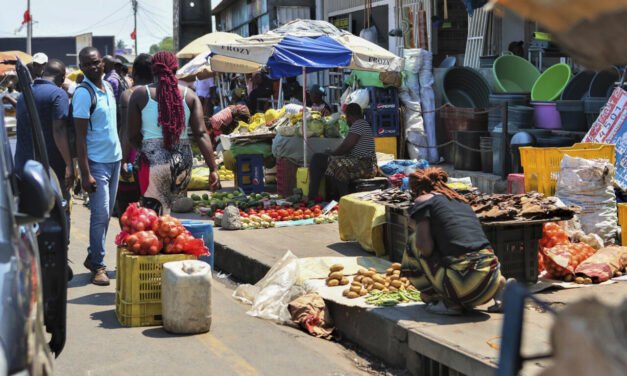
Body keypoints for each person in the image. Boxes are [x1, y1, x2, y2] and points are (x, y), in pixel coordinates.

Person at [401, 167, 507, 315]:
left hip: (464, 288)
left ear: (416, 189)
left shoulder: (422, 200)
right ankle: (500, 286)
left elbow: (424, 248)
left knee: (414, 242)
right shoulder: (460, 200)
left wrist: (415, 226)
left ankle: (449, 302)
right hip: (490, 278)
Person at [127, 51, 219, 215]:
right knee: (175, 215)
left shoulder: (140, 94)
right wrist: (213, 168)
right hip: (181, 161)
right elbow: (201, 133)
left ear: (153, 70)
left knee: (152, 214)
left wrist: (145, 150)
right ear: (175, 69)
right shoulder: (189, 95)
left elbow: (132, 135)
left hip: (151, 161)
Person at [74, 46, 123, 286]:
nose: (92, 67)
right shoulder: (84, 93)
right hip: (96, 163)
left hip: (115, 160)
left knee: (105, 216)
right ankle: (98, 266)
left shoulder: (109, 88)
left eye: (95, 62)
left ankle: (93, 256)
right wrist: (85, 173)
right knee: (100, 215)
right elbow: (79, 138)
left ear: (102, 63)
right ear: (81, 67)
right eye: (87, 64)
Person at [14, 58, 74, 195]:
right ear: (63, 78)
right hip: (50, 168)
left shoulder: (23, 95)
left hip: (23, 166)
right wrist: (70, 166)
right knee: (59, 210)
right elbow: (59, 131)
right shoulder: (58, 94)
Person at [308, 103, 377, 200]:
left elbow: (346, 146)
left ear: (349, 115)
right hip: (359, 162)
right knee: (318, 159)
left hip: (366, 165)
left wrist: (332, 153)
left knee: (337, 164)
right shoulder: (360, 124)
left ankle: (343, 199)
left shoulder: (360, 124)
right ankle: (314, 197)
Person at [116, 53, 153, 221]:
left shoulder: (129, 94)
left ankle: (131, 242)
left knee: (128, 209)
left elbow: (126, 130)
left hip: (133, 157)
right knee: (152, 207)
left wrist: (123, 159)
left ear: (134, 74)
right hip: (157, 157)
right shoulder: (160, 93)